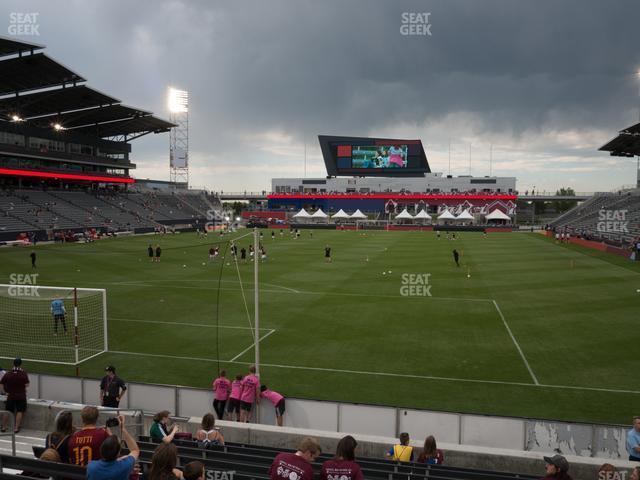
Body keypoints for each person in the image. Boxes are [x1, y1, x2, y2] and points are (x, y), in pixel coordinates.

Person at [87, 415, 140, 480]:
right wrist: (123, 428)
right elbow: (135, 450)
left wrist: (110, 435)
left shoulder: (91, 466)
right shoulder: (125, 466)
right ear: (118, 453)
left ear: (101, 450)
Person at [0, 357, 29, 433]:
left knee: (8, 411)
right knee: (20, 411)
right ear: (20, 364)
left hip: (11, 395)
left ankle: (3, 427)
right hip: (21, 395)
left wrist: (4, 392)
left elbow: (1, 383)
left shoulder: (8, 373)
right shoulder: (23, 373)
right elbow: (27, 384)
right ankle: (16, 428)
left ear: (13, 363)